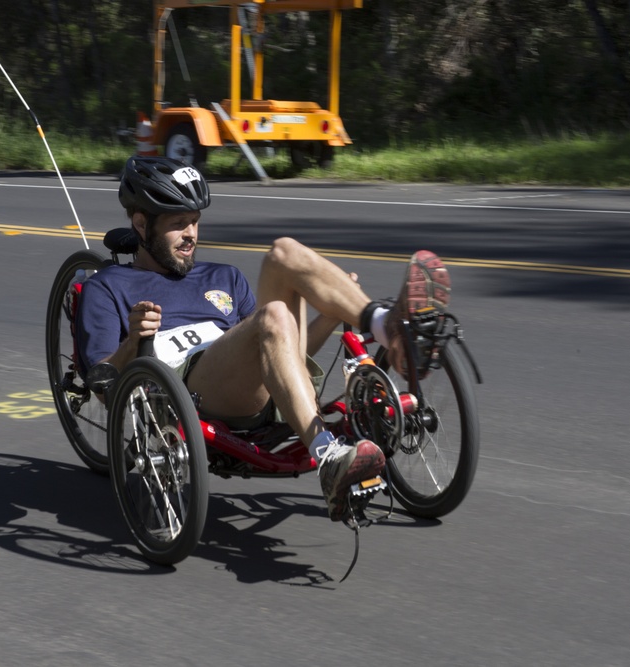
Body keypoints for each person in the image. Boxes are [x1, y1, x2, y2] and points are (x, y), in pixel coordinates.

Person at [77, 156, 451, 521]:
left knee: (283, 252)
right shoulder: (108, 287)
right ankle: (329, 457)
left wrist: (330, 313)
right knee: (272, 314)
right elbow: (102, 382)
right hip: (187, 390)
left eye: (195, 222)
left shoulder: (224, 277)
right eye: (178, 224)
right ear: (141, 225)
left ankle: (391, 329)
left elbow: (282, 351)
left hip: (259, 388)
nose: (191, 235)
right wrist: (133, 340)